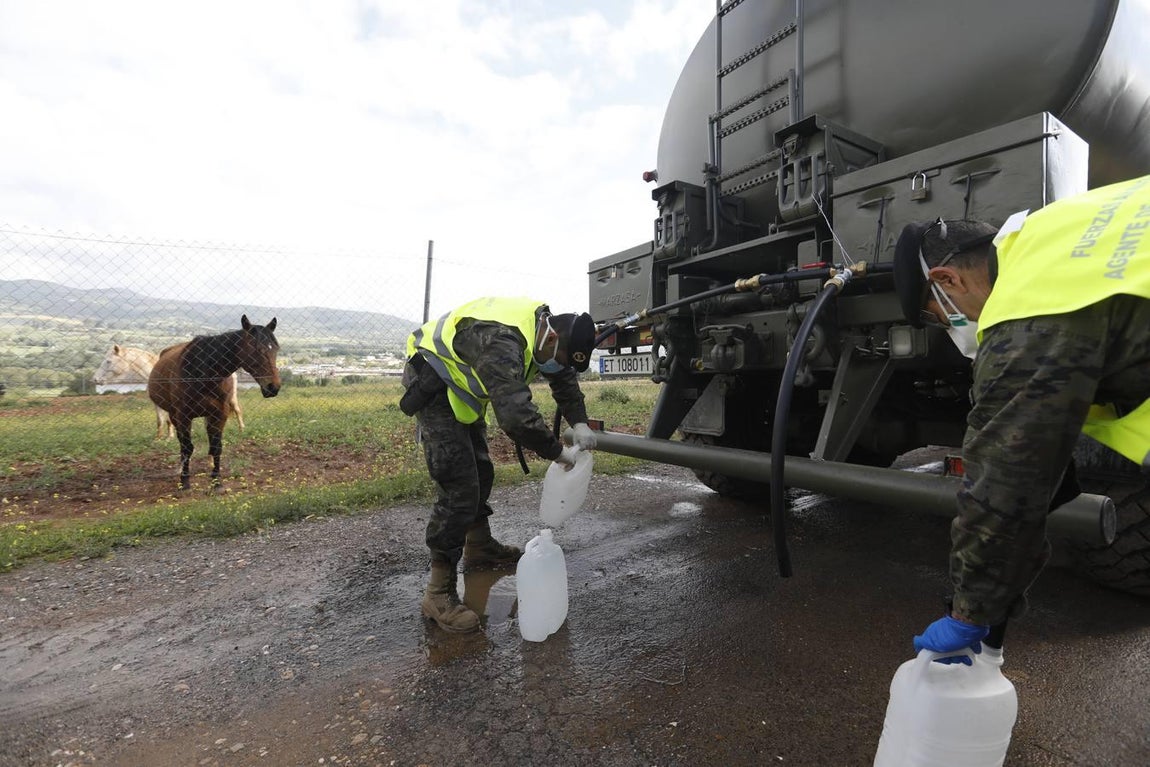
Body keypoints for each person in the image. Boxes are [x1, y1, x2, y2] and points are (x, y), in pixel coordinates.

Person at [892, 174, 1150, 657]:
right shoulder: (1056, 228)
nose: (952, 327)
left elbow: (1004, 484)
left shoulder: (1026, 308)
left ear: (947, 281)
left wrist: (971, 612)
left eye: (940, 316)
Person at [400, 297, 599, 633]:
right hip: (434, 380)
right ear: (551, 339)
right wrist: (557, 453)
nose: (555, 368)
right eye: (559, 360)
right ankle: (438, 592)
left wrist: (578, 421)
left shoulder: (546, 336)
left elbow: (562, 377)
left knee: (480, 470)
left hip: (462, 381)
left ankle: (479, 547)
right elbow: (516, 418)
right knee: (458, 485)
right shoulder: (502, 341)